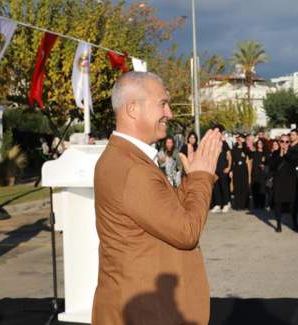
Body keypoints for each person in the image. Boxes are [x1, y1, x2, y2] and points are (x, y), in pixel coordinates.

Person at [92, 71, 222, 325]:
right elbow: (186, 232)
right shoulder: (132, 168)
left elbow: (167, 211)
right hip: (145, 314)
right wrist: (202, 178)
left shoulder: (126, 159)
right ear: (132, 109)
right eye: (162, 103)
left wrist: (191, 179)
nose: (170, 113)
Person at [269, 134, 298, 232]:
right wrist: (280, 155)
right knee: (278, 203)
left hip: (290, 181)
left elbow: (296, 162)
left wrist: (286, 153)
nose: (284, 144)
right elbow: (272, 166)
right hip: (279, 181)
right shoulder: (275, 153)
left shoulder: (293, 152)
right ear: (279, 142)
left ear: (289, 143)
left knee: (292, 203)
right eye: (282, 141)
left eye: (287, 142)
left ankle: (295, 223)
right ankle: (278, 225)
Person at [210, 126, 232, 213]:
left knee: (224, 186)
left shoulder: (224, 143)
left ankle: (226, 203)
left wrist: (229, 167)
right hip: (214, 169)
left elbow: (229, 156)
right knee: (216, 187)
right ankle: (218, 204)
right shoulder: (212, 144)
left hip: (223, 169)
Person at [230, 134, 250, 210]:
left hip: (243, 168)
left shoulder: (245, 148)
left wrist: (244, 144)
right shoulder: (234, 149)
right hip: (236, 169)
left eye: (240, 138)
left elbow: (249, 153)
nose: (239, 140)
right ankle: (238, 205)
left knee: (244, 186)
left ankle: (244, 204)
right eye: (237, 138)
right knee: (237, 186)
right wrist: (231, 170)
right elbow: (232, 161)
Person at [250, 139, 269, 210]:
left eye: (261, 143)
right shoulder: (254, 152)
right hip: (255, 173)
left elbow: (268, 163)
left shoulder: (265, 153)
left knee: (262, 189)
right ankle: (256, 204)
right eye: (258, 143)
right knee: (255, 188)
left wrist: (264, 166)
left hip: (263, 173)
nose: (259, 144)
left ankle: (262, 204)